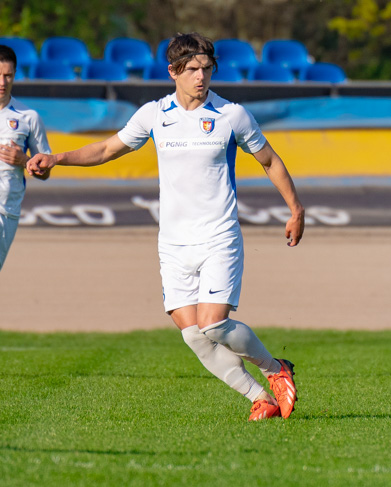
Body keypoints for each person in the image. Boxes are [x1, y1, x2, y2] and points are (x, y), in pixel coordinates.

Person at [28, 33, 304, 420]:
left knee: (214, 324)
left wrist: (296, 209)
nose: (201, 76)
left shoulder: (232, 115)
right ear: (173, 71)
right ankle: (261, 399)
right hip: (173, 243)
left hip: (218, 236)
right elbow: (107, 150)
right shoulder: (154, 114)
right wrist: (57, 157)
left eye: (207, 68)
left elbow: (270, 161)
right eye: (192, 69)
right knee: (192, 333)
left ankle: (276, 369)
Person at [0, 45, 52, 375]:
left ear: (14, 76)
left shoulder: (28, 118)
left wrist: (24, 161)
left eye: (8, 75)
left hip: (8, 214)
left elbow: (45, 169)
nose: (2, 81)